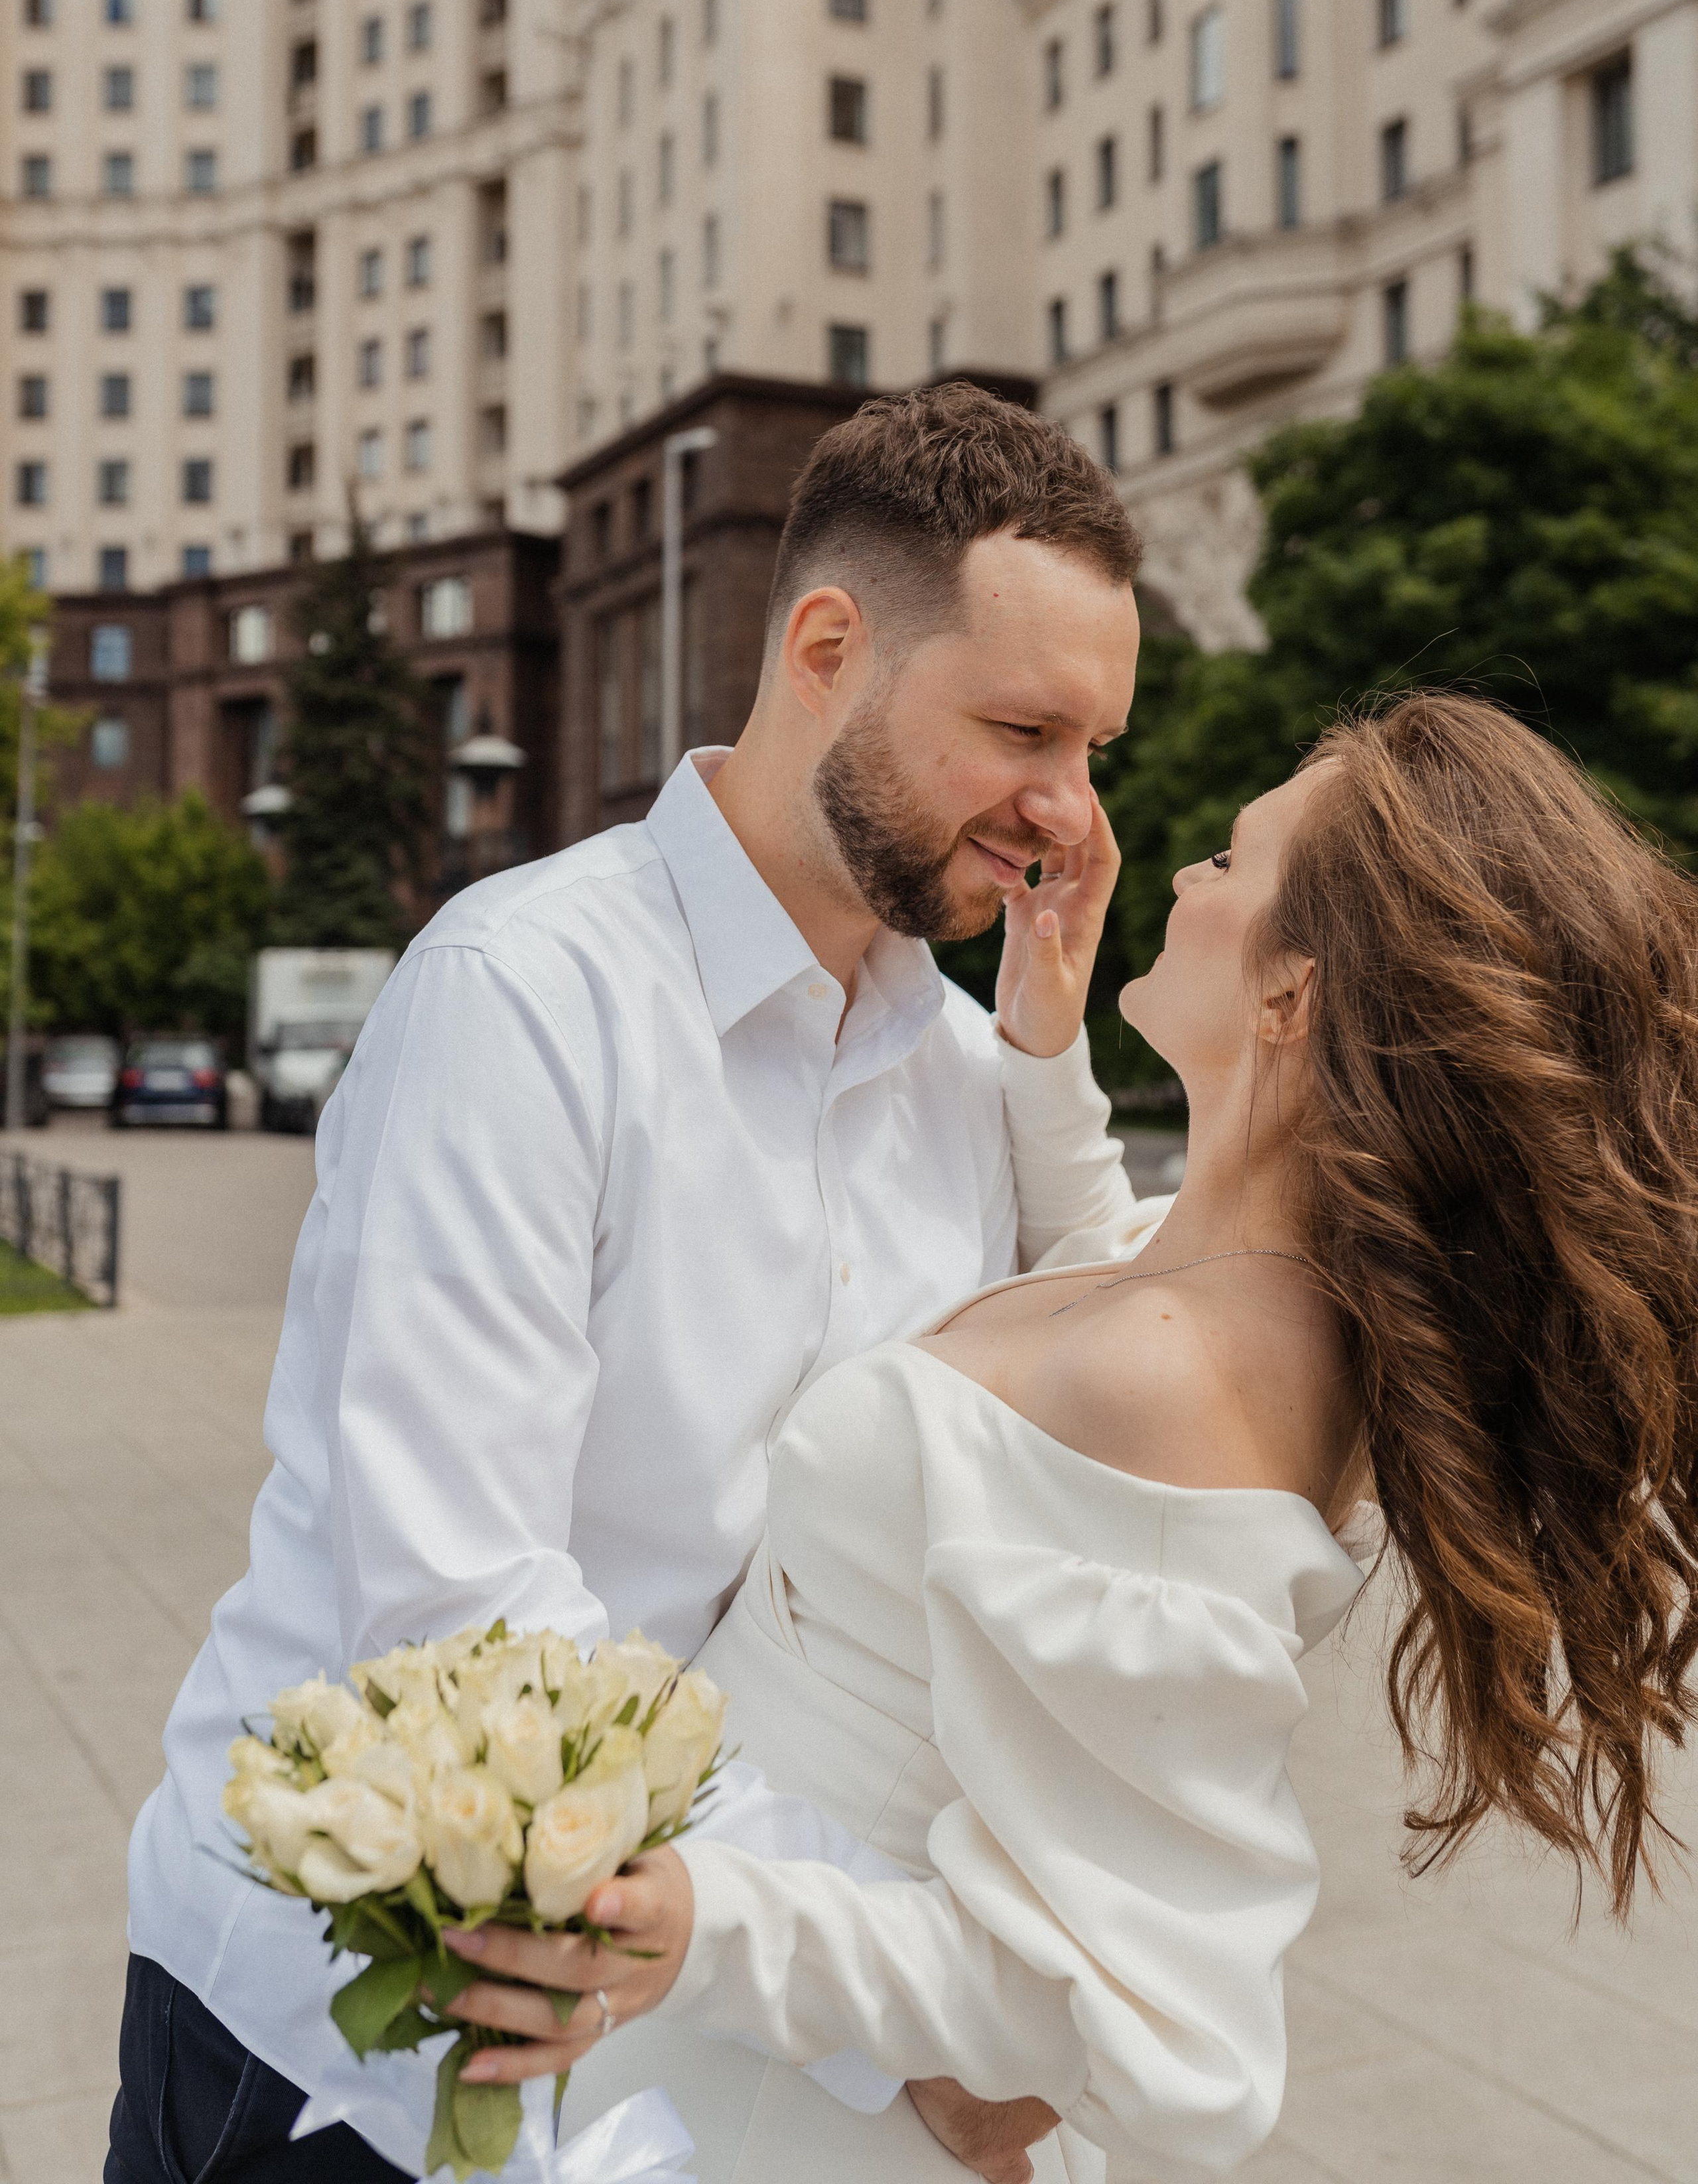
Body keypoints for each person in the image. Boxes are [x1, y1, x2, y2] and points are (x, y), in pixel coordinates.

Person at [107, 384, 1162, 2184]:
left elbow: (1123, 1389)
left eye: (1095, 753)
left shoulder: (970, 1073)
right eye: (1021, 731)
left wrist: (1052, 1046)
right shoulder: (523, 1000)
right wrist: (918, 2005)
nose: (1067, 817)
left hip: (684, 2043)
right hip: (357, 2046)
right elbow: (464, 1626)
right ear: (825, 645)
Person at [437, 693, 1698, 2184]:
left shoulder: (1191, 1380)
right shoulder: (1228, 1283)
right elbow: (1099, 1274)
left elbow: (1146, 2017)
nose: (1177, 879)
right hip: (748, 2061)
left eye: (1230, 862)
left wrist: (704, 1927)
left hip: (786, 2105)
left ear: (1293, 992)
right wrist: (1042, 1044)